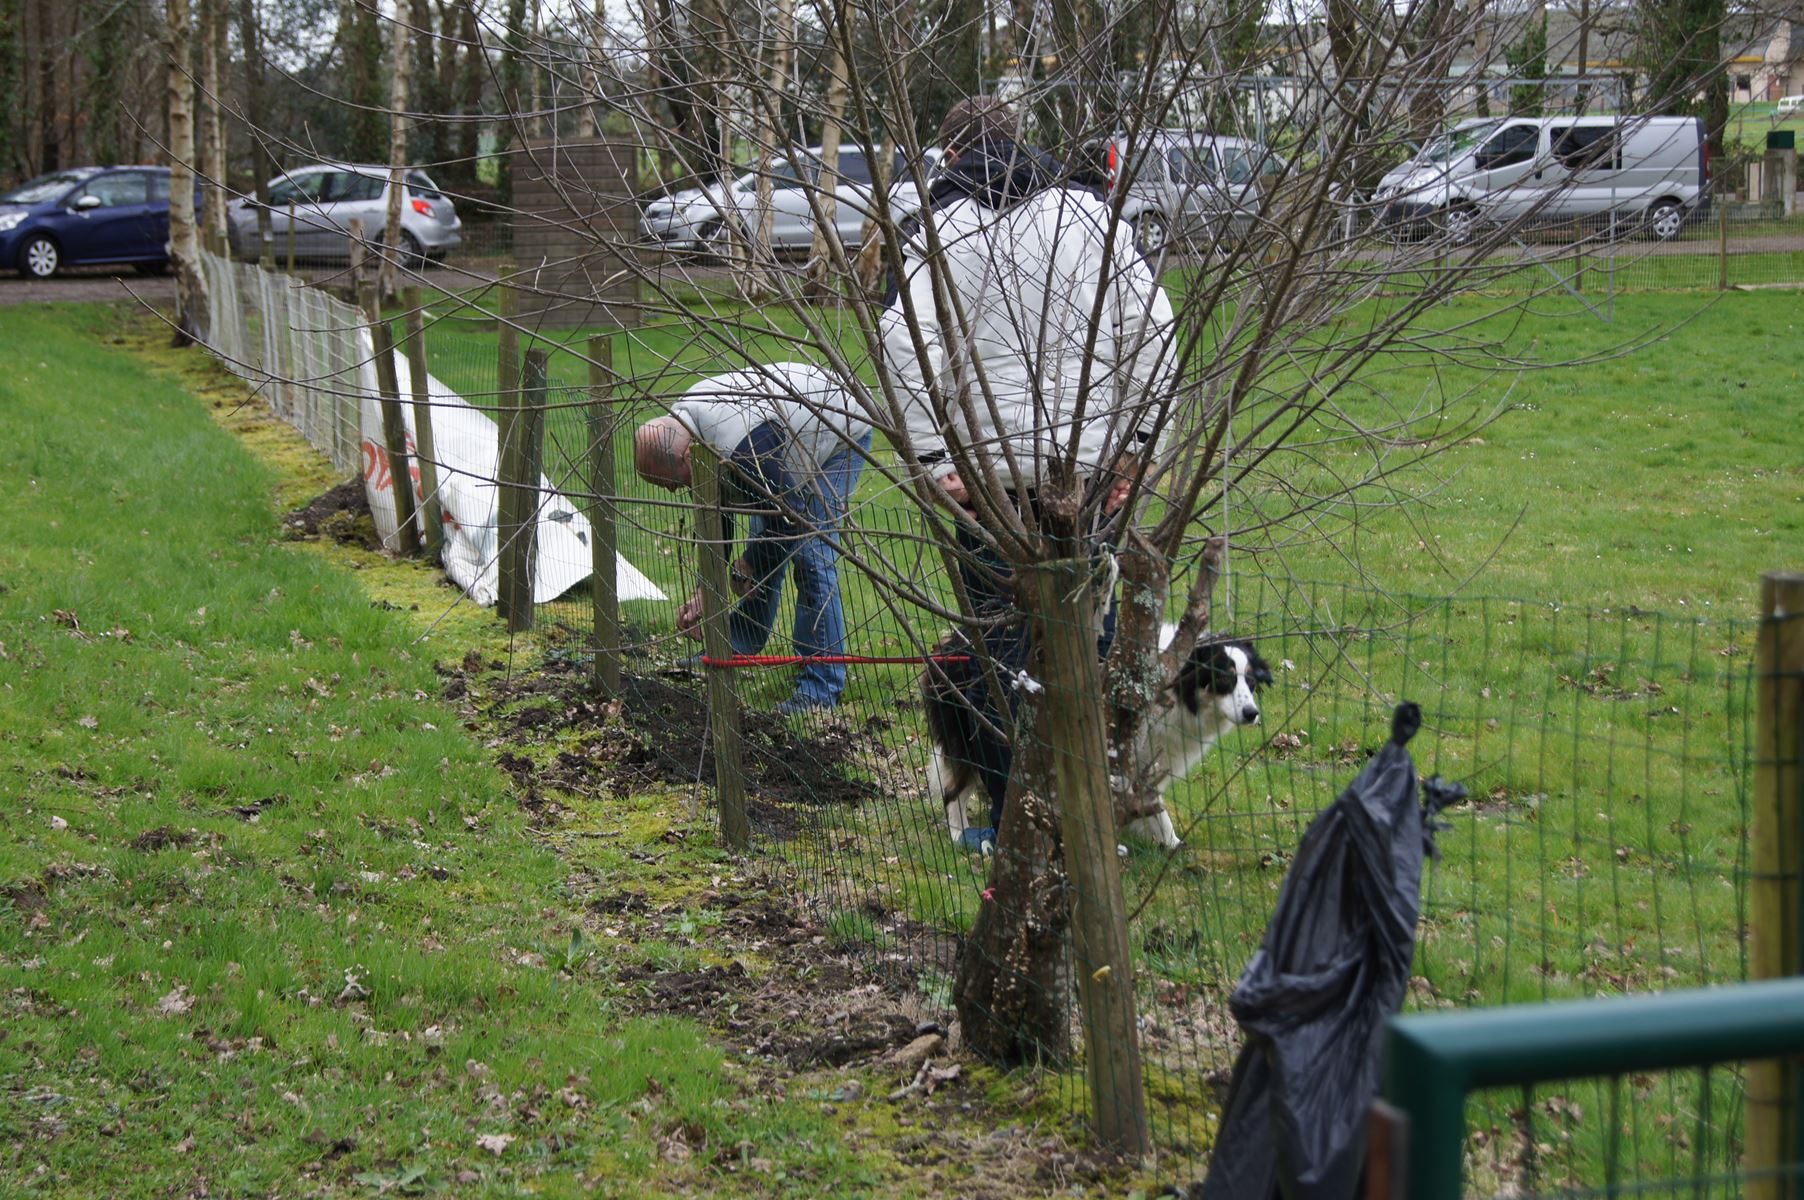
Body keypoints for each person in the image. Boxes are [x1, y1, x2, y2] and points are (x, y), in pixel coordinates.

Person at [881, 96, 1178, 847]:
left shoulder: (937, 232)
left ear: (948, 157)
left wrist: (935, 464)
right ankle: (1086, 818)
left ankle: (1022, 822)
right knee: (1091, 643)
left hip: (990, 483)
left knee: (999, 647)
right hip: (1085, 477)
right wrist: (1137, 451)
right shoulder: (1093, 221)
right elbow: (1156, 337)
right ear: (1024, 142)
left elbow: (904, 346)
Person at [634, 362, 871, 715]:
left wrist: (751, 563)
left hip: (839, 429)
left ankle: (820, 687)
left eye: (671, 482)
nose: (672, 490)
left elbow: (792, 518)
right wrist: (706, 591)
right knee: (765, 543)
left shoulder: (744, 450)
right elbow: (719, 508)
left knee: (812, 554)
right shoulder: (688, 425)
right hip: (784, 439)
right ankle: (735, 645)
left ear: (687, 456)